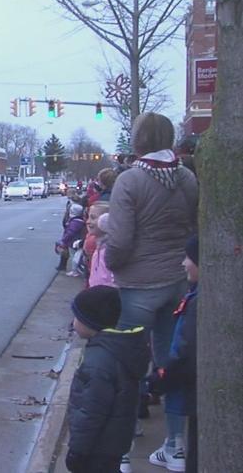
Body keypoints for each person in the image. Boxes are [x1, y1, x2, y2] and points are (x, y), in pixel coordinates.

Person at [105, 112, 198, 469]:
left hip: (137, 285)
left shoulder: (130, 181)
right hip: (176, 281)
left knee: (128, 367)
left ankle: (124, 450)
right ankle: (174, 446)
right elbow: (191, 225)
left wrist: (113, 264)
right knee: (170, 364)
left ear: (139, 139)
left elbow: (121, 239)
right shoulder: (187, 177)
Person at [65, 286, 148, 473]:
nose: (73, 321)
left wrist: (77, 451)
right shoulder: (118, 351)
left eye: (77, 316)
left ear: (89, 322)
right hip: (114, 443)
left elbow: (90, 411)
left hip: (96, 448)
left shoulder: (97, 362)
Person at [146, 236, 199, 473]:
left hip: (183, 377)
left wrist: (161, 378)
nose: (184, 263)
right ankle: (174, 445)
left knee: (176, 391)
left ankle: (175, 446)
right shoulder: (193, 295)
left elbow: (184, 350)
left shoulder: (195, 303)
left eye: (189, 258)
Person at [88, 214, 116, 288]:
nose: (88, 221)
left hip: (105, 290)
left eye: (93, 217)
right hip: (97, 287)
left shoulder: (108, 249)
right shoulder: (100, 245)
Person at [57, 204, 85, 274]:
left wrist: (64, 240)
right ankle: (76, 270)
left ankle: (75, 271)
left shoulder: (75, 222)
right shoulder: (79, 221)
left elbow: (70, 233)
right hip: (75, 241)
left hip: (73, 241)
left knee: (75, 257)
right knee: (76, 256)